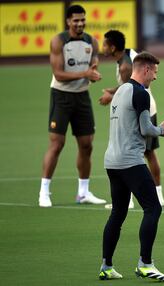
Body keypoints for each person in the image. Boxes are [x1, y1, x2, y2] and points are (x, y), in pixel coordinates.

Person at [99, 51, 164, 281]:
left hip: (112, 161)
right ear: (146, 69)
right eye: (155, 72)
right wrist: (162, 130)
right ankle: (145, 263)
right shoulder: (141, 93)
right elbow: (146, 129)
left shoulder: (121, 91)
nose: (155, 77)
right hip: (130, 161)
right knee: (153, 208)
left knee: (118, 212)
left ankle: (106, 266)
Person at [38, 5, 106, 207]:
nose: (80, 23)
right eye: (76, 20)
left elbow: (93, 65)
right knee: (57, 144)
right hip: (61, 96)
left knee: (86, 145)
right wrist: (85, 74)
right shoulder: (58, 41)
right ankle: (44, 192)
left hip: (82, 97)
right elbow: (58, 74)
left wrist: (93, 74)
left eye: (83, 20)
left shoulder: (91, 41)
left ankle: (83, 192)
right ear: (68, 21)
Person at [99, 30, 164, 209]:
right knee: (146, 152)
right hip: (141, 107)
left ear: (113, 47)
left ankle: (155, 194)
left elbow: (128, 90)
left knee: (147, 152)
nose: (102, 47)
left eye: (104, 44)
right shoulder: (128, 56)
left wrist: (109, 95)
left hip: (142, 109)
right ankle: (144, 196)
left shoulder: (125, 66)